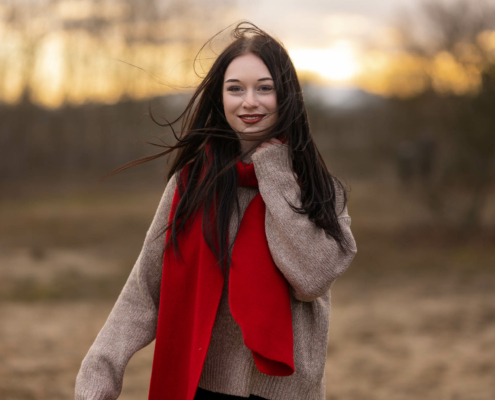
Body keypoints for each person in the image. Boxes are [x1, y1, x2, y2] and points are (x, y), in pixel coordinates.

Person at [75, 21, 358, 400]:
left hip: (288, 393)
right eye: (235, 89)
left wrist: (272, 170)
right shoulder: (192, 185)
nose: (249, 101)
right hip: (205, 387)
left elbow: (311, 278)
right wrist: (99, 372)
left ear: (286, 95)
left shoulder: (320, 191)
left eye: (265, 88)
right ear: (220, 98)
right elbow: (144, 290)